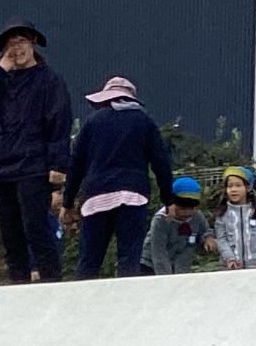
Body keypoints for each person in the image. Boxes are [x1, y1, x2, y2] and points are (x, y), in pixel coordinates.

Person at [0, 19, 72, 284]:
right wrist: (1, 70)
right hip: (1, 166)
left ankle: (51, 283)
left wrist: (58, 167)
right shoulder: (1, 81)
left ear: (33, 44)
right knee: (10, 233)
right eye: (11, 44)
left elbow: (59, 123)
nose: (17, 49)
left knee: (36, 227)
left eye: (22, 42)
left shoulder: (49, 80)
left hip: (34, 165)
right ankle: (19, 286)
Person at [63, 75, 176, 280]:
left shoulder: (92, 122)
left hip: (96, 197)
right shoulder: (144, 121)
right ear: (131, 99)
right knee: (129, 258)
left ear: (105, 98)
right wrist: (169, 200)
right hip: (133, 196)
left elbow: (76, 164)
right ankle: (127, 305)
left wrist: (68, 202)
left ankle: (81, 305)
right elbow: (161, 163)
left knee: (89, 260)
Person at [144, 176, 217, 276]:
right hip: (152, 265)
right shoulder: (161, 221)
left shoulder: (197, 217)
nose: (187, 213)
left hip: (181, 265)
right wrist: (166, 279)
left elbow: (205, 231)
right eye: (182, 208)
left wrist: (207, 238)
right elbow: (159, 253)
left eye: (191, 208)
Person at [215, 165, 256, 270]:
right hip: (231, 267)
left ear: (248, 188)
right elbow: (221, 239)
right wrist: (230, 258)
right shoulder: (222, 212)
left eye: (238, 185)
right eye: (230, 186)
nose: (233, 189)